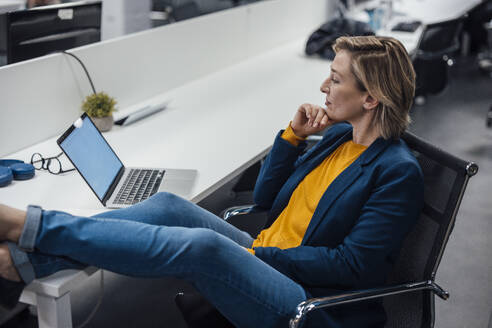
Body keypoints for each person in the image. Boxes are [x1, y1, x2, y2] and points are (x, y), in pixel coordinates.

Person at [0, 35, 423, 328]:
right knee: (169, 206)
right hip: (271, 257)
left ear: (370, 98)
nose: (323, 86)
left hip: (309, 300)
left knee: (204, 246)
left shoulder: (396, 172)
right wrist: (293, 137)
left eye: (335, 78)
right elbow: (265, 196)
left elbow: (350, 266)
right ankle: (25, 262)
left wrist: (262, 254)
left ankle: (25, 226)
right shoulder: (337, 137)